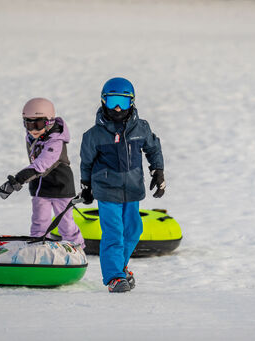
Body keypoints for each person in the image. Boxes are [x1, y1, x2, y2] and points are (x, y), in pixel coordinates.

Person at [80, 77, 165, 292]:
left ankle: (120, 266)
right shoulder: (94, 135)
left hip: (133, 188)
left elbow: (153, 148)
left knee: (134, 230)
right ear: (103, 102)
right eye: (112, 102)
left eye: (123, 102)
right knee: (113, 233)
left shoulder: (141, 128)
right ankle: (114, 277)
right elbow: (87, 162)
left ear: (132, 103)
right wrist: (85, 186)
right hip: (107, 191)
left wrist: (158, 171)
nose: (117, 108)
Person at [0, 98, 84, 248]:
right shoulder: (32, 136)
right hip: (39, 186)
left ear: (49, 122)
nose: (33, 129)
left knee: (65, 223)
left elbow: (41, 164)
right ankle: (37, 249)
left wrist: (17, 180)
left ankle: (76, 249)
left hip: (60, 185)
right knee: (39, 222)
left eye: (37, 124)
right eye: (28, 124)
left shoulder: (56, 141)